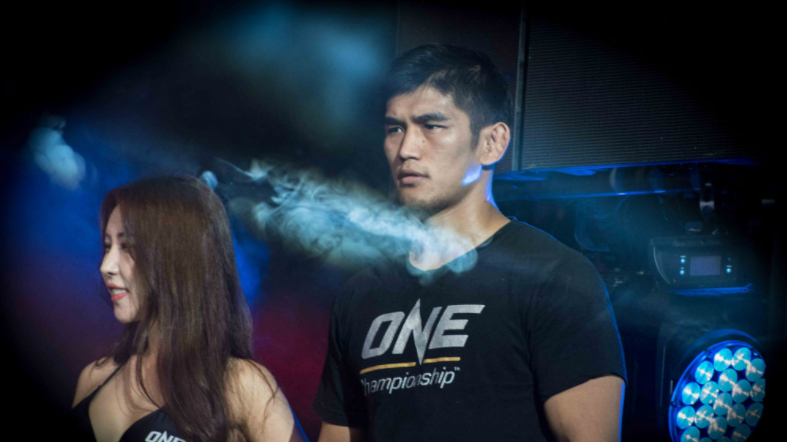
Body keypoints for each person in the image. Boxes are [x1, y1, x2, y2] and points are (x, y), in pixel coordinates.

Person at [312, 44, 626, 441]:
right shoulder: (361, 294)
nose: (406, 149)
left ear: (492, 143)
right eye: (395, 128)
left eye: (432, 125)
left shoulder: (555, 276)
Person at [72, 176, 306, 442]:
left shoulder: (240, 384)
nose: (106, 266)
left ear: (177, 256)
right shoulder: (93, 377)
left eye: (127, 247)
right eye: (107, 246)